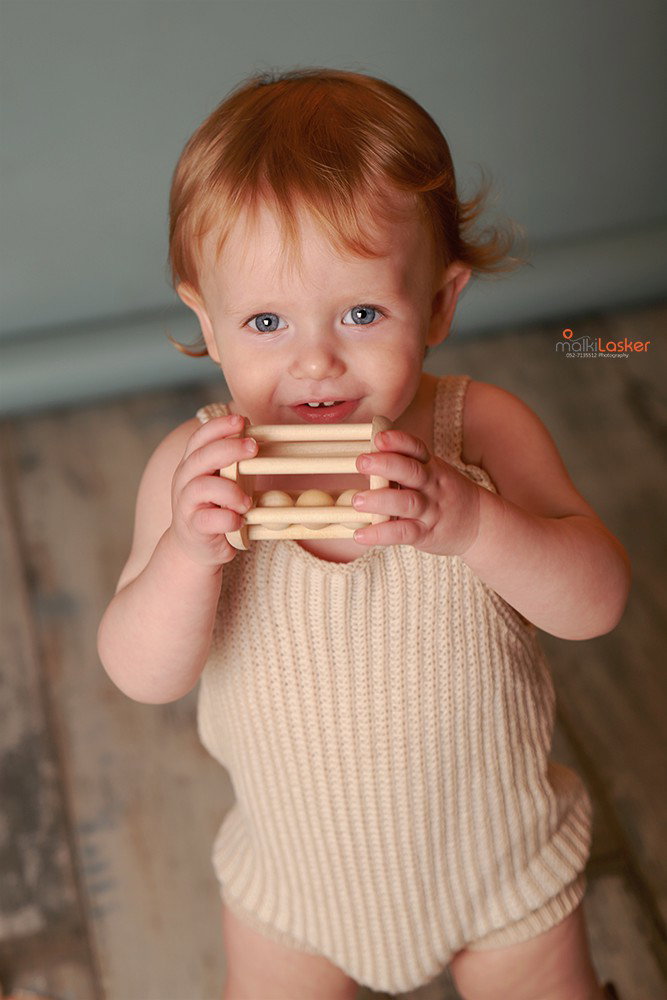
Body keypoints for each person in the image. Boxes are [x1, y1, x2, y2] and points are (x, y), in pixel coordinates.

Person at [97, 68, 629, 1000]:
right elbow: (141, 673)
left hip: (500, 868)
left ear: (439, 302)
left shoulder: (482, 431)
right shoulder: (197, 469)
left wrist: (470, 521)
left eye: (360, 312)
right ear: (206, 324)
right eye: (265, 320)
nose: (315, 360)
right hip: (297, 894)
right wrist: (187, 555)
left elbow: (595, 601)